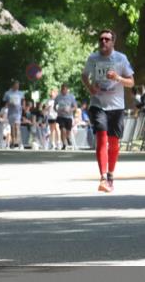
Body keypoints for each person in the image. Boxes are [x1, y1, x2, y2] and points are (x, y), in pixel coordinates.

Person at [82, 29, 135, 192]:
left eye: (107, 39)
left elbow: (131, 82)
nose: (103, 42)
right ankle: (103, 177)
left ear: (113, 42)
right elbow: (84, 76)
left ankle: (110, 175)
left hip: (117, 105)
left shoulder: (121, 58)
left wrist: (118, 78)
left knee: (114, 143)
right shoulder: (93, 58)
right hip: (98, 103)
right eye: (101, 39)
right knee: (101, 136)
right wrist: (91, 88)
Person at [55, 83, 78, 150]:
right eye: (62, 89)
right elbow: (55, 106)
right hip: (61, 116)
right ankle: (64, 144)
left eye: (64, 89)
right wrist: (57, 110)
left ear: (67, 90)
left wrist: (70, 109)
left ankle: (67, 138)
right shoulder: (58, 97)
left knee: (68, 131)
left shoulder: (71, 97)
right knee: (62, 130)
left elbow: (75, 107)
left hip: (69, 116)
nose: (63, 91)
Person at [3, 81, 25, 149]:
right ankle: (13, 142)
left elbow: (23, 101)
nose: (17, 86)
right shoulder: (8, 93)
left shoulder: (21, 93)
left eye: (18, 85)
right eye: (16, 85)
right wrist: (8, 104)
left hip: (18, 112)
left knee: (17, 127)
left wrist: (23, 106)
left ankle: (18, 143)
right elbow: (5, 102)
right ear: (13, 86)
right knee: (12, 127)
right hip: (11, 112)